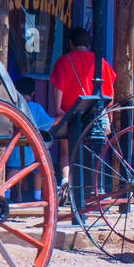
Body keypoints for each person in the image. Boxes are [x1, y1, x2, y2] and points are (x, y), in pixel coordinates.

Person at [48, 27, 116, 186]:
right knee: (92, 152)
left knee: (66, 153)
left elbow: (58, 88)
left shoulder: (64, 61)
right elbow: (111, 90)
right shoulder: (100, 62)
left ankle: (66, 180)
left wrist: (58, 109)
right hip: (94, 115)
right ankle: (91, 186)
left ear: (70, 43)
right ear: (87, 43)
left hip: (71, 113)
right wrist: (109, 111)